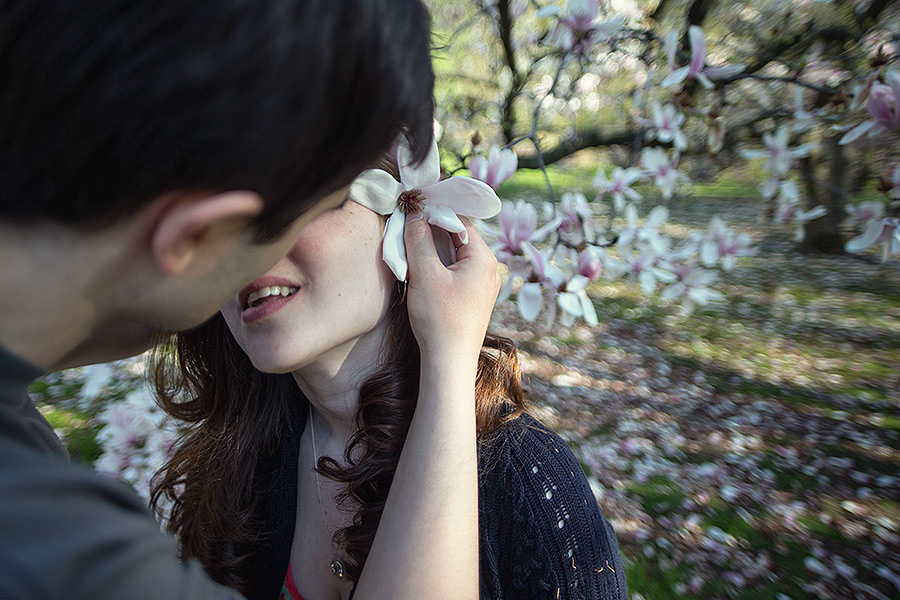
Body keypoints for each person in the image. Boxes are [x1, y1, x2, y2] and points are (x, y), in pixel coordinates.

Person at [0, 1, 498, 599]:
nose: (269, 256)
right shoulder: (61, 551)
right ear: (194, 236)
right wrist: (450, 363)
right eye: (305, 207)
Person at [150, 143, 630, 600]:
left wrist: (449, 353)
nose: (245, 251)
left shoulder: (527, 485)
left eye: (299, 199)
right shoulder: (244, 466)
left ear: (410, 224)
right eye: (218, 231)